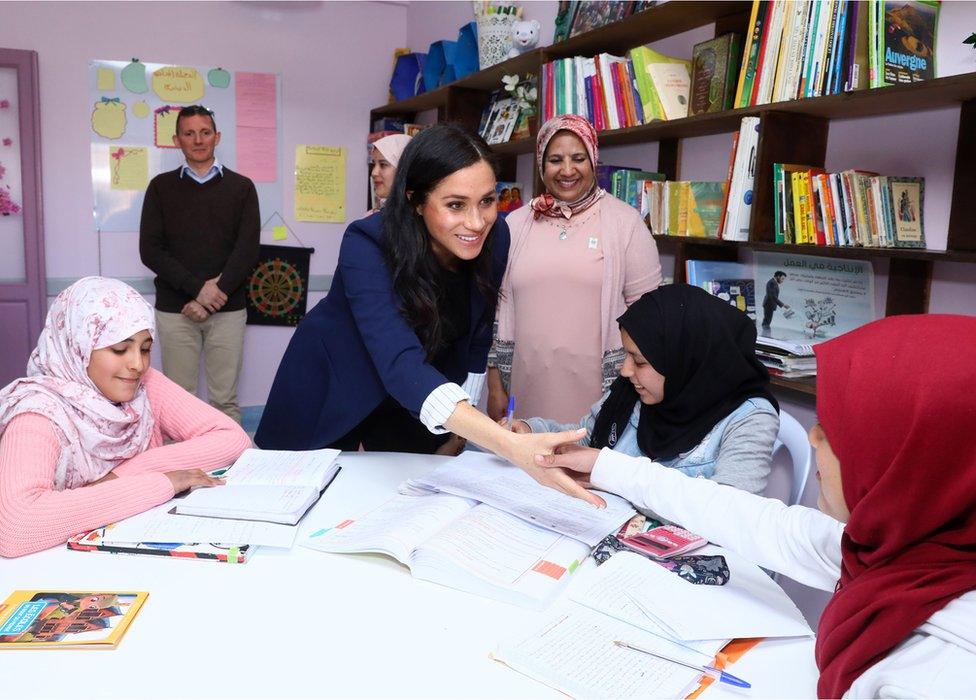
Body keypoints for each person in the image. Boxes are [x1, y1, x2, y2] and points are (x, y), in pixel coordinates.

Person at [537, 314, 976, 698]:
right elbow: (748, 517)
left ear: (911, 460)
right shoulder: (903, 549)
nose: (812, 437)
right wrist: (605, 465)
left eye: (836, 429)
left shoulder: (934, 676)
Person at [256, 124, 599, 505]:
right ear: (415, 200)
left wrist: (460, 431)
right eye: (455, 205)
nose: (476, 222)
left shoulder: (496, 235)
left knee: (408, 497)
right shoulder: (367, 243)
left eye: (487, 201)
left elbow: (477, 332)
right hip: (336, 380)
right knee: (289, 501)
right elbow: (399, 360)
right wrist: (505, 443)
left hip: (419, 391)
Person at [0, 277, 251, 558]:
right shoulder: (38, 413)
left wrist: (124, 474)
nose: (137, 364)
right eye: (120, 349)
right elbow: (15, 526)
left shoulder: (144, 385)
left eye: (145, 348)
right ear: (78, 346)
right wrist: (163, 482)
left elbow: (234, 440)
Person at [507, 285, 779, 494]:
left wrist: (611, 472)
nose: (625, 370)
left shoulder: (750, 419)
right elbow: (584, 440)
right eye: (627, 356)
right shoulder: (633, 393)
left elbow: (732, 514)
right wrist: (530, 431)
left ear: (682, 359)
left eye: (638, 361)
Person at [487, 114, 661, 424]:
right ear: (542, 164)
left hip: (601, 390)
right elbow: (495, 310)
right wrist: (494, 383)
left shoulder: (626, 223)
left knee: (585, 465)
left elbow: (650, 317)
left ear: (593, 160)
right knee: (526, 463)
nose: (567, 170)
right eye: (555, 160)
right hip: (525, 385)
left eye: (578, 158)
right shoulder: (514, 224)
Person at [139, 104, 260, 423]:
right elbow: (150, 250)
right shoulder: (160, 188)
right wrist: (197, 291)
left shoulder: (242, 188)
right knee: (180, 403)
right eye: (189, 133)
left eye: (205, 132)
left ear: (217, 137)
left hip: (228, 309)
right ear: (176, 139)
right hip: (176, 311)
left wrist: (213, 295)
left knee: (225, 402)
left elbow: (247, 250)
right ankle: (185, 471)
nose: (198, 140)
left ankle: (230, 471)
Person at [369, 133, 411, 212]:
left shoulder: (425, 219)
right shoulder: (371, 219)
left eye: (383, 165)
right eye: (374, 164)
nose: (374, 173)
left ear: (403, 169)